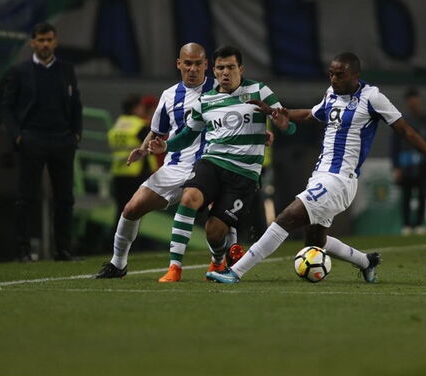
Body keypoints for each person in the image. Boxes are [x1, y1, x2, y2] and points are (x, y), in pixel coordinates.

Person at [207, 52, 426, 284]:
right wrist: (275, 112)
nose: (334, 79)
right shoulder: (331, 94)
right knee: (315, 240)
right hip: (321, 176)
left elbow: (404, 130)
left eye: (340, 75)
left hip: (339, 179)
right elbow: (310, 115)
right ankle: (366, 261)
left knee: (286, 217)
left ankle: (236, 272)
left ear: (355, 75)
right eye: (331, 73)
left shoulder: (372, 97)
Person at [147, 45, 293, 283]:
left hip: (244, 174)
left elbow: (289, 125)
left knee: (215, 231)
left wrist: (282, 123)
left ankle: (217, 260)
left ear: (241, 68)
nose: (226, 72)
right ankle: (174, 267)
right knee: (188, 198)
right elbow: (186, 135)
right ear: (213, 71)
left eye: (231, 67)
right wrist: (165, 146)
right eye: (221, 68)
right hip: (212, 162)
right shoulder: (206, 100)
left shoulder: (260, 91)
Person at [95, 43, 223, 279]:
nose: (192, 69)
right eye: (188, 63)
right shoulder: (169, 95)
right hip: (175, 167)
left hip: (210, 166)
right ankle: (118, 263)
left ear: (206, 65)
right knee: (131, 209)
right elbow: (157, 131)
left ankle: (221, 262)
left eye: (197, 63)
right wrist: (143, 150)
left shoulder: (221, 89)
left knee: (217, 224)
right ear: (179, 64)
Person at [2, 22, 82, 262]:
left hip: (62, 139)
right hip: (32, 139)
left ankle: (63, 250)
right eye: (41, 40)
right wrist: (18, 135)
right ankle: (23, 250)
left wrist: (75, 134)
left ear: (55, 42)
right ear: (32, 43)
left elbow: (75, 103)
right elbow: (7, 107)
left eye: (49, 40)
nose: (45, 44)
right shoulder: (19, 71)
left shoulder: (66, 70)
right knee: (26, 197)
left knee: (65, 198)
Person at [391, 87, 426, 235]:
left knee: (422, 195)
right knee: (406, 196)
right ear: (407, 102)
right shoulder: (402, 122)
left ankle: (420, 224)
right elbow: (394, 145)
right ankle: (406, 225)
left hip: (423, 164)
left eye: (415, 100)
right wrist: (396, 167)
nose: (413, 103)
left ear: (419, 101)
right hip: (406, 164)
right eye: (410, 100)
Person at [107, 95, 157, 221]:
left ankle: (115, 239)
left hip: (118, 172)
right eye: (141, 106)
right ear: (135, 108)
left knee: (120, 210)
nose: (143, 109)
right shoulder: (139, 125)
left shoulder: (118, 124)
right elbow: (152, 144)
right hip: (136, 172)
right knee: (134, 212)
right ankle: (133, 240)